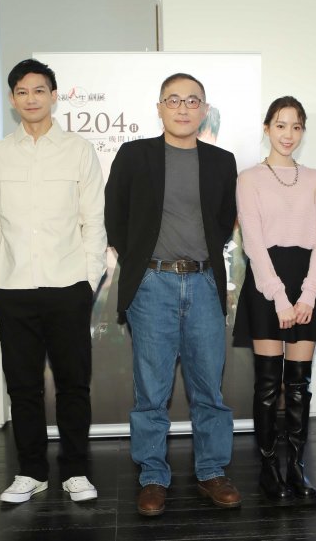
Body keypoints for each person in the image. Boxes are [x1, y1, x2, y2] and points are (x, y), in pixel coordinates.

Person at [104, 73, 241, 516]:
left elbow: (224, 221)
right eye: (174, 100)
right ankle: (152, 476)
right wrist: (142, 264)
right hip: (152, 284)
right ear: (159, 107)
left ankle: (212, 471)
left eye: (192, 101)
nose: (183, 108)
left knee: (209, 389)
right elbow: (115, 217)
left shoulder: (222, 161)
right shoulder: (135, 155)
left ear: (204, 110)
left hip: (203, 282)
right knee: (151, 390)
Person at [0, 59, 106, 505]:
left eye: (39, 90)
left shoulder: (78, 150)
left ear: (54, 95)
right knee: (22, 385)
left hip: (68, 284)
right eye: (22, 91)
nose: (30, 99)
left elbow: (94, 221)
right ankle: (30, 471)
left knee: (73, 384)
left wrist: (88, 280)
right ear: (12, 99)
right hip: (11, 287)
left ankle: (75, 471)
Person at [233, 96, 316, 501]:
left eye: (296, 126)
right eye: (280, 125)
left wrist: (308, 294)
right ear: (267, 128)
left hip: (306, 283)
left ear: (303, 131)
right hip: (265, 284)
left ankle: (297, 468)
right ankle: (269, 468)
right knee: (268, 386)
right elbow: (252, 242)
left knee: (299, 385)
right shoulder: (249, 178)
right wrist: (279, 297)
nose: (288, 134)